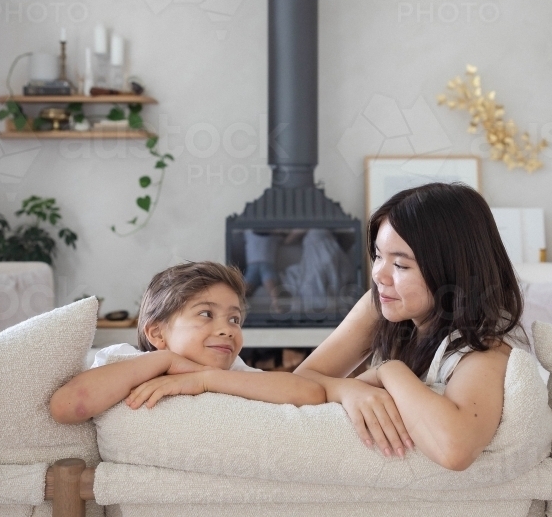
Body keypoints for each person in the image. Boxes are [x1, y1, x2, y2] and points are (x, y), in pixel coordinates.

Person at [294, 183, 526, 472]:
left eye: (401, 266)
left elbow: (454, 450)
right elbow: (302, 380)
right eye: (378, 255)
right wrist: (347, 390)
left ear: (453, 271)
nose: (379, 275)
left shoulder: (487, 347)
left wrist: (389, 371)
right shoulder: (382, 303)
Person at [50, 261, 325, 423]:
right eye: (206, 314)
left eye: (235, 319)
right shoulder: (128, 361)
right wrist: (165, 361)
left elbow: (311, 393)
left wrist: (206, 380)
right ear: (157, 334)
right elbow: (67, 406)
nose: (228, 330)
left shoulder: (234, 373)